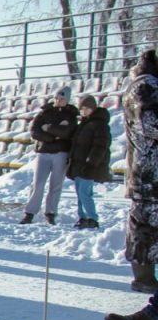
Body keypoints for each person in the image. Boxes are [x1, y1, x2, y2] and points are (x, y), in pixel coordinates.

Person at [118, 49, 158, 293]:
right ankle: (143, 278)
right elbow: (151, 124)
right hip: (149, 175)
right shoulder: (145, 86)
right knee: (145, 227)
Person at [20, 85, 78, 225]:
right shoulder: (44, 112)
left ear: (67, 100)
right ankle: (30, 212)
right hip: (44, 152)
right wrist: (53, 136)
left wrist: (48, 128)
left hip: (61, 153)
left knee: (56, 184)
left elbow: (67, 132)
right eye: (57, 98)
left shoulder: (71, 114)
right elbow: (34, 131)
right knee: (38, 183)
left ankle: (51, 212)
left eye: (62, 98)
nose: (59, 100)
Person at [66, 94, 111, 229]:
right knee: (80, 193)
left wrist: (91, 163)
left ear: (92, 108)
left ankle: (92, 218)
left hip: (89, 166)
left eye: (86, 108)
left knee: (85, 193)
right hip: (78, 164)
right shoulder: (84, 124)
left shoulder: (100, 124)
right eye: (81, 109)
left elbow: (100, 146)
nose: (83, 111)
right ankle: (83, 217)